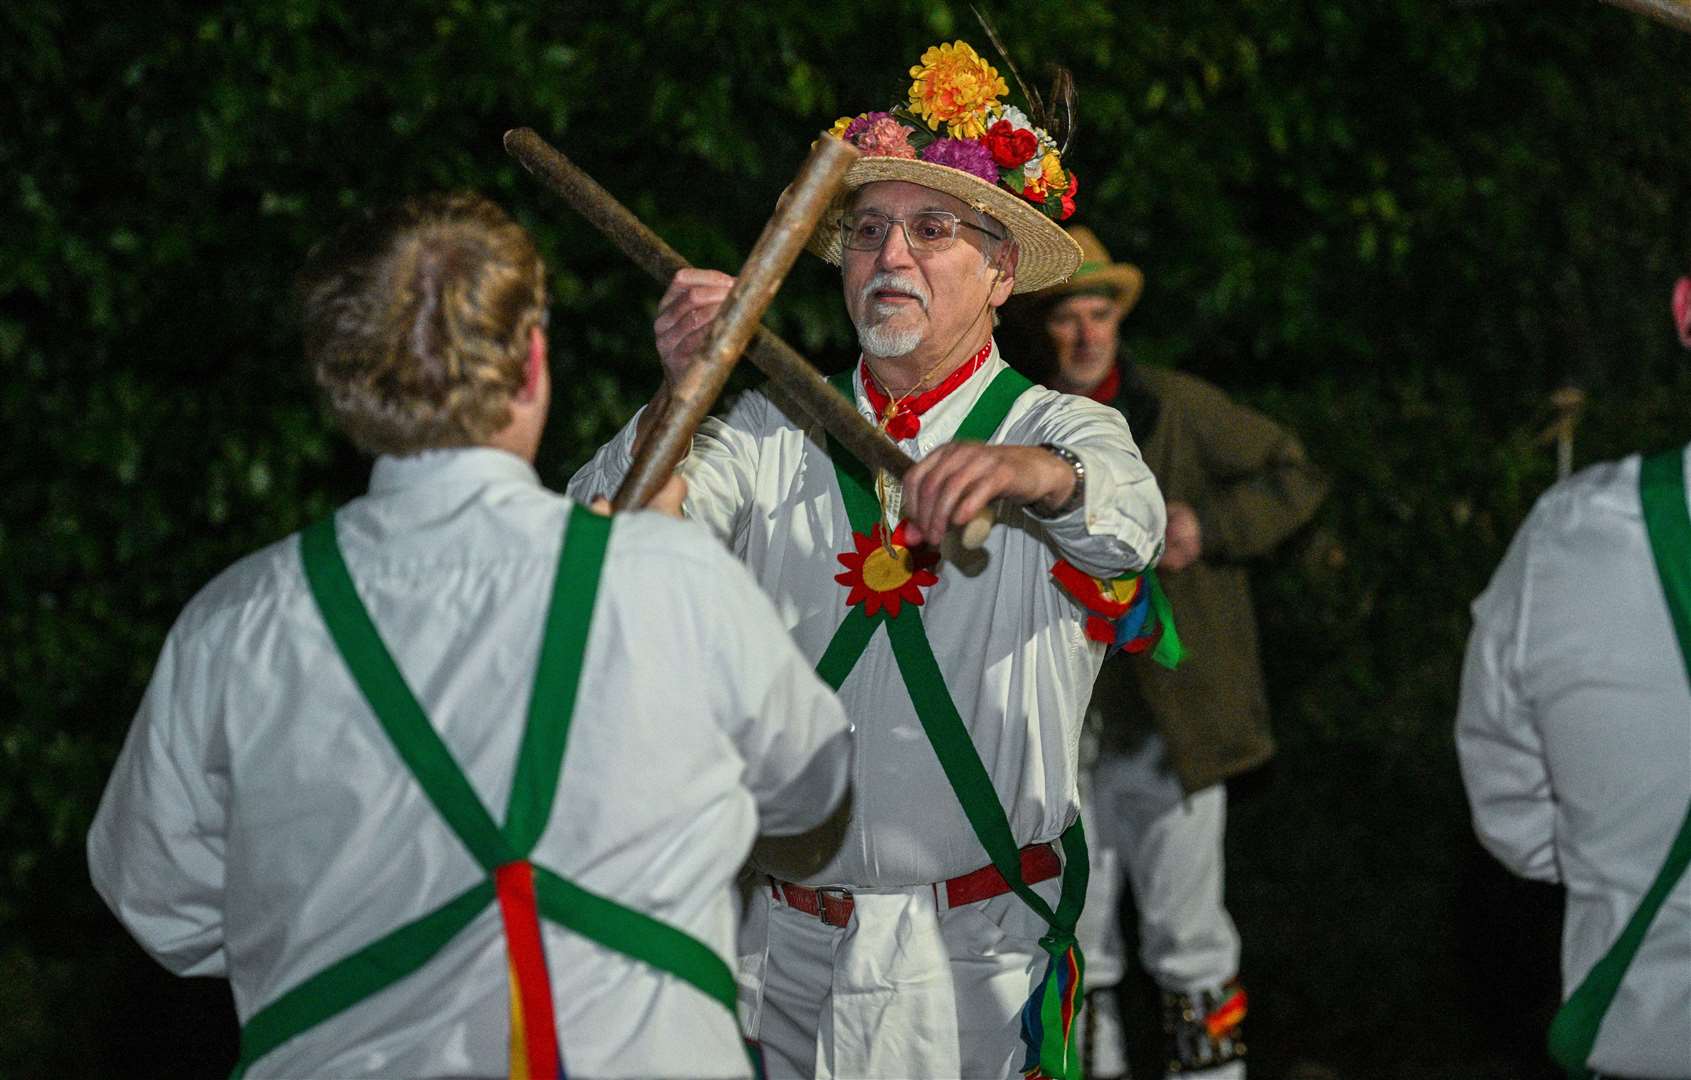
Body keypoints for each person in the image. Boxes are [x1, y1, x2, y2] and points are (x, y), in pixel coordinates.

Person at [87, 192, 852, 1080]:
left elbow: (158, 901)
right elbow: (811, 785)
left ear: (338, 381)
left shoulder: (234, 623)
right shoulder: (668, 578)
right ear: (532, 363)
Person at [570, 41, 1166, 1080]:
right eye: (864, 230)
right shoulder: (762, 431)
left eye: (931, 230)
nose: (888, 257)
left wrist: (1025, 473)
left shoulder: (1061, 428)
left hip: (980, 960)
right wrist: (683, 385)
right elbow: (610, 550)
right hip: (778, 954)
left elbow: (1125, 523)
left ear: (1000, 273)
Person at [1008, 226, 1329, 1079]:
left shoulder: (1178, 408)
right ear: (1045, 327)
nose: (1084, 333)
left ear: (1118, 320)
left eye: (1098, 314)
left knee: (1188, 936)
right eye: (1067, 316)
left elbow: (1292, 471)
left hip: (1176, 723)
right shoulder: (1019, 421)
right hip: (1065, 725)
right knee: (1076, 934)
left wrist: (1209, 526)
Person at [1455, 276, 1691, 1080]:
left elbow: (1507, 803)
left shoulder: (1568, 537)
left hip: (1636, 1037)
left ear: (1684, 311)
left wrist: (1608, 859)